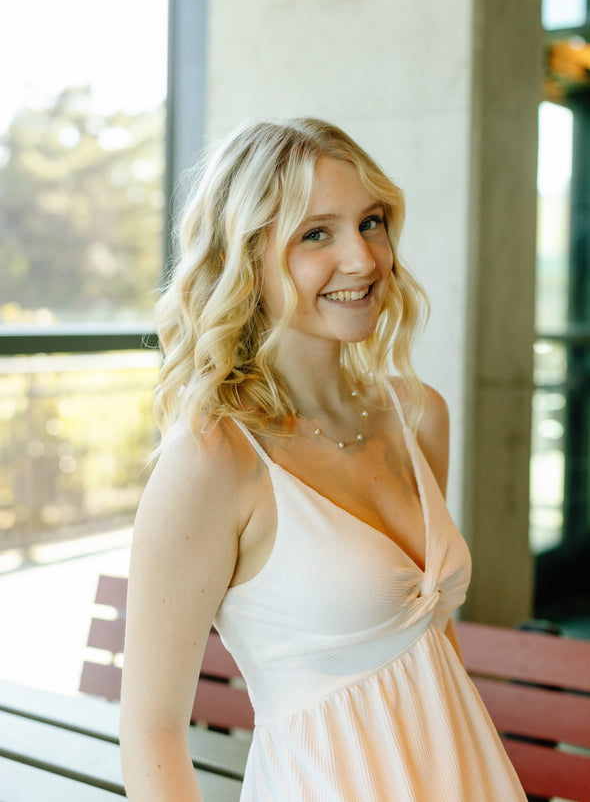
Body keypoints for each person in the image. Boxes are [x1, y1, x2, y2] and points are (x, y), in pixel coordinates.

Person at [119, 117, 526, 801]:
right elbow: (151, 730)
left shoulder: (418, 414)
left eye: (371, 223)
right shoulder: (214, 460)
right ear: (246, 260)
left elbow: (429, 637)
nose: (364, 259)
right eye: (316, 234)